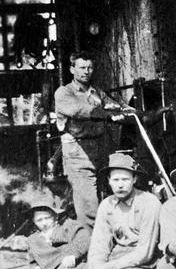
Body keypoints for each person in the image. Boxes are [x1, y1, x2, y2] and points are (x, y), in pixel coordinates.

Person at [54, 51, 127, 229]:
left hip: (101, 149)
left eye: (90, 67)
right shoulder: (64, 93)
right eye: (82, 68)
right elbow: (79, 110)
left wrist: (134, 113)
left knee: (107, 196)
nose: (86, 71)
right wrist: (106, 114)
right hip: (78, 153)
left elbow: (116, 106)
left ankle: (110, 240)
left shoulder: (97, 92)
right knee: (88, 205)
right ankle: (93, 248)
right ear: (72, 69)